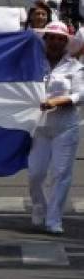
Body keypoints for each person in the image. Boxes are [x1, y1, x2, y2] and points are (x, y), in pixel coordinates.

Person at [29, 21, 84, 235]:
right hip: (38, 127)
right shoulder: (33, 63)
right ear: (45, 40)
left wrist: (58, 101)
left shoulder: (75, 67)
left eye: (60, 38)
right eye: (51, 37)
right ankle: (39, 206)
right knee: (36, 173)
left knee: (61, 174)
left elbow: (81, 94)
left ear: (66, 42)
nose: (55, 42)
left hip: (65, 126)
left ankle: (54, 219)